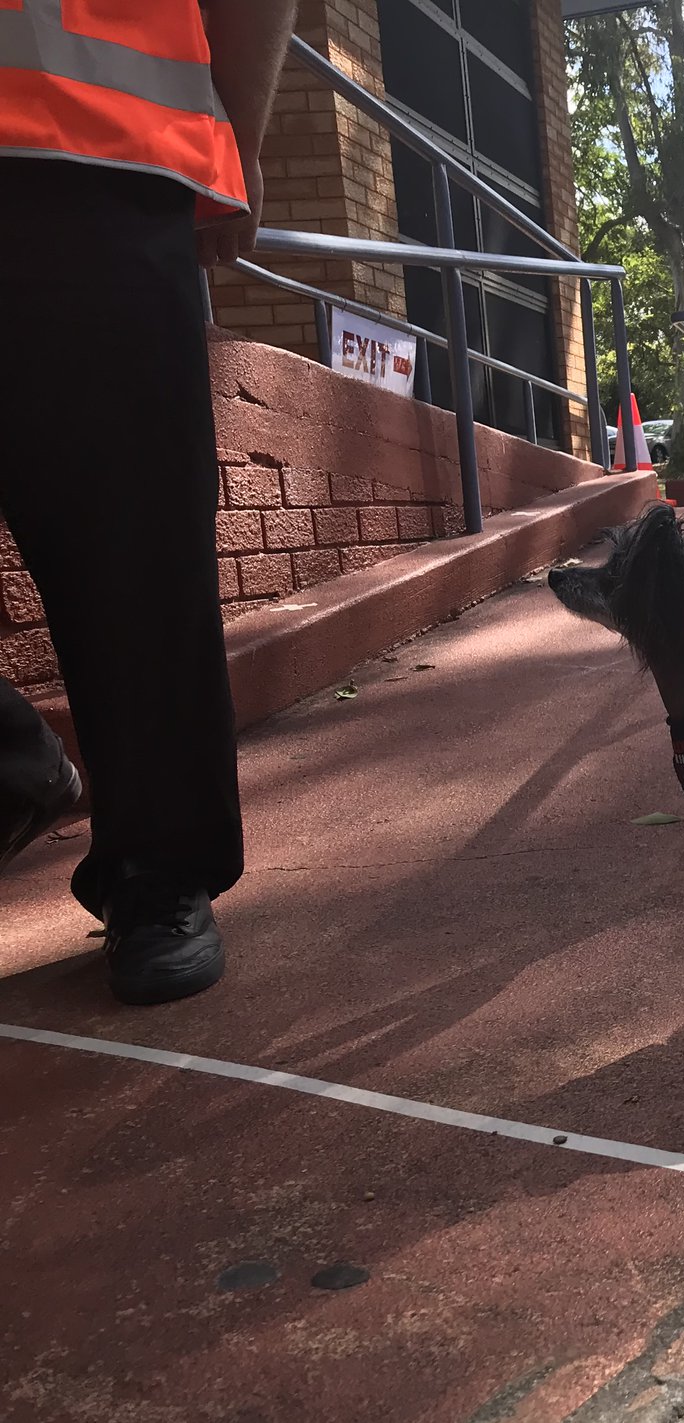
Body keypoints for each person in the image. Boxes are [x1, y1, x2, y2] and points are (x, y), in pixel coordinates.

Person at [0, 0, 298, 1003]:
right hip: (104, 146)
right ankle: (10, 762)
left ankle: (158, 869)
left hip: (99, 147)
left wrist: (236, 136)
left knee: (132, 542)